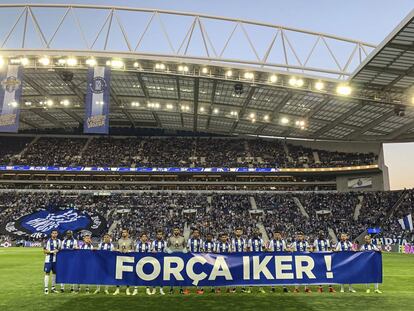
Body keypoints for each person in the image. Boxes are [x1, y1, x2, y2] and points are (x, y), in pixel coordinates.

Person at [113, 229, 134, 296]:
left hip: (128, 258)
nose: (123, 233)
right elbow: (117, 248)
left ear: (127, 233)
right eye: (122, 232)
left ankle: (127, 289)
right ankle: (117, 288)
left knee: (127, 274)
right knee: (118, 274)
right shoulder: (119, 240)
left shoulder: (130, 241)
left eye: (125, 232)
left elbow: (133, 249)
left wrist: (128, 251)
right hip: (120, 259)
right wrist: (118, 250)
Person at [167, 227, 186, 294]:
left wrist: (185, 252)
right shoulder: (170, 238)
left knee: (181, 274)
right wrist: (169, 252)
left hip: (180, 258)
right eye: (175, 230)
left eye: (177, 230)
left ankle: (181, 289)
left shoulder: (182, 238)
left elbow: (185, 247)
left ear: (179, 231)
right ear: (173, 231)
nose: (176, 231)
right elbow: (167, 247)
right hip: (172, 258)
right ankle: (171, 289)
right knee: (172, 274)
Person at [43, 229, 61, 294]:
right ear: (51, 234)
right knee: (47, 273)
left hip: (56, 260)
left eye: (55, 233)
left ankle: (53, 288)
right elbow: (44, 251)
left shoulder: (59, 241)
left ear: (57, 234)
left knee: (54, 274)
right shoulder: (47, 241)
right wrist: (52, 251)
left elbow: (59, 249)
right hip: (48, 260)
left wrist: (58, 251)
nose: (54, 234)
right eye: (53, 233)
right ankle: (46, 288)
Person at [247, 229, 265, 294]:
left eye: (257, 232)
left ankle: (261, 288)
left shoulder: (261, 240)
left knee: (260, 273)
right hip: (252, 258)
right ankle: (250, 288)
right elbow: (248, 249)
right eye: (254, 232)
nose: (256, 234)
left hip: (260, 258)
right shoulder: (250, 240)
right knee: (251, 273)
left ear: (258, 233)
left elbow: (263, 248)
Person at [187, 228, 204, 294]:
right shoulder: (189, 241)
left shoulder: (201, 241)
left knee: (199, 274)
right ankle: (187, 289)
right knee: (189, 274)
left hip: (199, 259)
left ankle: (200, 289)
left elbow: (202, 250)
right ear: (193, 234)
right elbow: (187, 249)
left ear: (198, 234)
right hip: (191, 259)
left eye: (197, 233)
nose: (196, 234)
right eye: (195, 233)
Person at [231, 227, 247, 293]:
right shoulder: (232, 240)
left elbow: (245, 249)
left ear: (242, 232)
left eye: (239, 231)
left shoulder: (244, 240)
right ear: (235, 232)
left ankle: (243, 287)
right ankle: (234, 287)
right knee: (235, 273)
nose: (238, 233)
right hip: (235, 259)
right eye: (237, 231)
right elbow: (231, 249)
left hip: (242, 259)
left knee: (243, 273)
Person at [151, 230, 167, 295]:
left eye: (160, 234)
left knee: (161, 275)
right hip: (155, 260)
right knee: (154, 275)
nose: (159, 235)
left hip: (162, 260)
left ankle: (161, 289)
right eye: (158, 234)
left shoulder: (165, 243)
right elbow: (151, 249)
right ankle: (154, 289)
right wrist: (153, 250)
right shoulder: (154, 242)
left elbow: (166, 250)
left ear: (162, 235)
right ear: (156, 235)